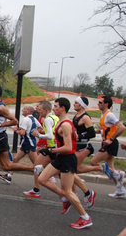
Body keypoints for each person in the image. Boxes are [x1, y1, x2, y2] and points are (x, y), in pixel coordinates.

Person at [36, 97, 92, 229]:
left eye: (56, 106)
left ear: (62, 108)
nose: (53, 108)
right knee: (42, 179)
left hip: (67, 158)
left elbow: (68, 147)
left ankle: (85, 217)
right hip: (60, 157)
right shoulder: (61, 122)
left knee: (68, 191)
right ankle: (65, 199)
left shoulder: (66, 124)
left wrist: (50, 149)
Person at [90, 95, 125, 198]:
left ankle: (119, 173)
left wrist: (111, 139)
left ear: (106, 104)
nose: (98, 103)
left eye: (100, 102)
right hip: (106, 142)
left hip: (110, 143)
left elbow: (122, 127)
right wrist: (93, 131)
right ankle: (121, 190)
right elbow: (105, 129)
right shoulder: (103, 114)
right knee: (110, 169)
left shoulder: (109, 115)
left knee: (93, 162)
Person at [0, 105, 42, 184]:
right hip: (25, 144)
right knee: (15, 159)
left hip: (29, 144)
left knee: (36, 165)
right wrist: (35, 132)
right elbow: (40, 128)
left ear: (28, 111)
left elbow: (22, 132)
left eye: (24, 109)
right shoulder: (34, 119)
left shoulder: (26, 119)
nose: (22, 110)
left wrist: (15, 130)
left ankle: (48, 177)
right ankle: (9, 176)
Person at [23, 101, 58, 198]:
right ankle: (36, 189)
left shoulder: (47, 119)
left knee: (66, 172)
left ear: (46, 110)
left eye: (40, 110)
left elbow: (50, 136)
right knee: (37, 166)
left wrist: (38, 135)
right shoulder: (55, 118)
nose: (38, 112)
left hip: (53, 148)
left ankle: (67, 194)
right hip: (53, 147)